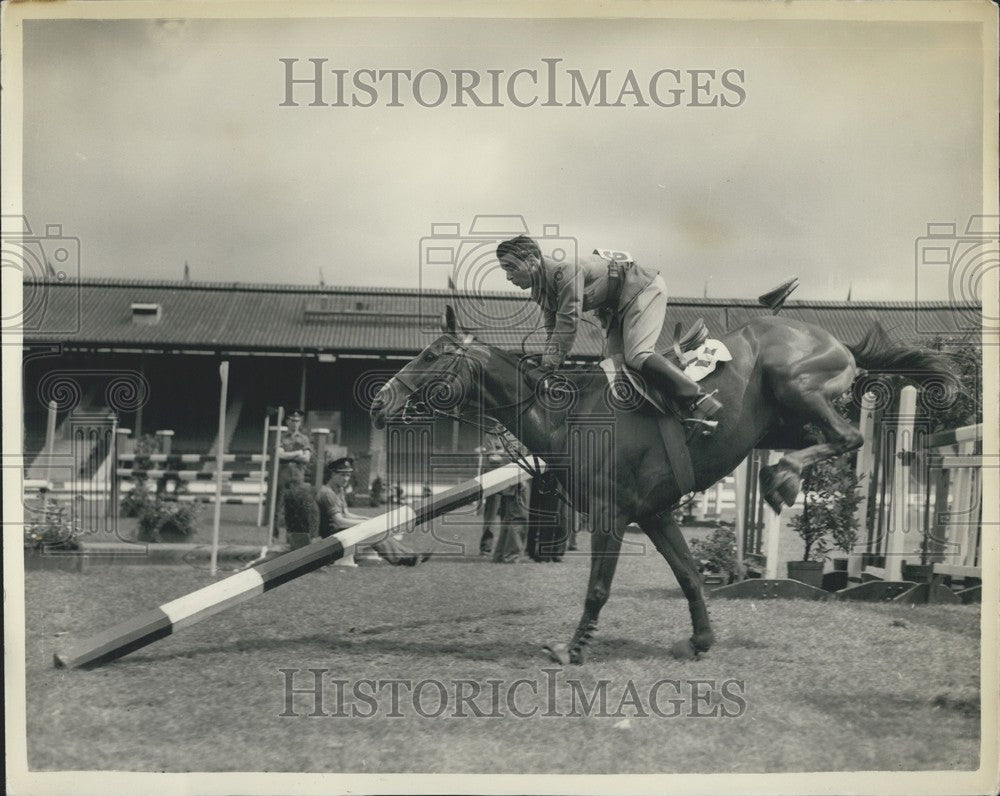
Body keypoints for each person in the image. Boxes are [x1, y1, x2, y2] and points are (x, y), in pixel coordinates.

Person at [496, 236, 722, 432]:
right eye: (505, 270)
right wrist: (548, 364)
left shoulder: (565, 273)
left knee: (638, 355)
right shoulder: (539, 290)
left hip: (642, 289)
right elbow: (552, 331)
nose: (508, 277)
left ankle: (698, 397)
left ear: (533, 261)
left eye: (511, 268)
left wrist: (547, 366)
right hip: (616, 307)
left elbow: (567, 323)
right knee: (612, 368)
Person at [316, 457, 430, 567]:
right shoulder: (328, 494)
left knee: (375, 527)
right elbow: (339, 522)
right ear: (333, 475)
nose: (346, 479)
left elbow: (346, 514)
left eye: (348, 475)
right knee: (372, 530)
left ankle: (408, 555)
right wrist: (365, 525)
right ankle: (401, 559)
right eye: (342, 475)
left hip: (340, 532)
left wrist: (367, 520)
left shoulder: (338, 489)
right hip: (332, 536)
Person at [272, 409, 312, 540]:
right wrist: (297, 454)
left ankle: (291, 536)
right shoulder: (281, 437)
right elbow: (279, 454)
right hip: (283, 477)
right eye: (293, 420)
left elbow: (306, 458)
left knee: (294, 509)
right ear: (287, 421)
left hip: (297, 477)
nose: (295, 423)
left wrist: (288, 456)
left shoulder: (304, 439)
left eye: (298, 421)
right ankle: (274, 535)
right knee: (277, 507)